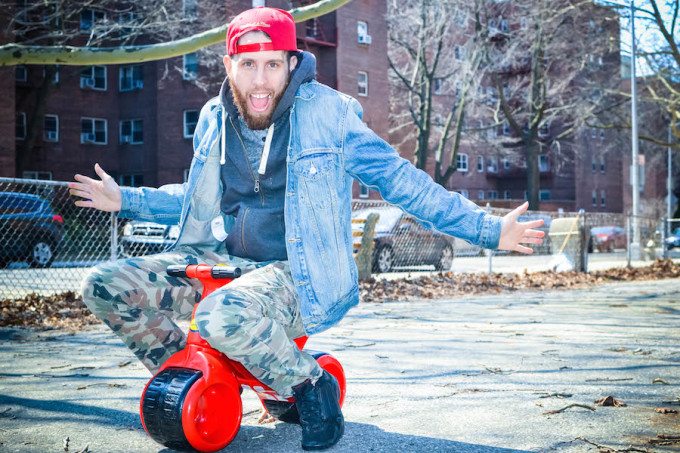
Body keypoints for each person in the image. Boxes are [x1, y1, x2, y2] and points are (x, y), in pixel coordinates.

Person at [69, 6, 545, 451]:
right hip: (224, 268)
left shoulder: (330, 115)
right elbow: (196, 198)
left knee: (220, 315)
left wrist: (486, 229)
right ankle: (208, 375)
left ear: (292, 63)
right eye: (248, 64)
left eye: (273, 65)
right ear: (228, 64)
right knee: (105, 285)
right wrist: (127, 199)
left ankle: (309, 384)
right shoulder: (214, 119)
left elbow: (402, 182)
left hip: (298, 276)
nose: (260, 81)